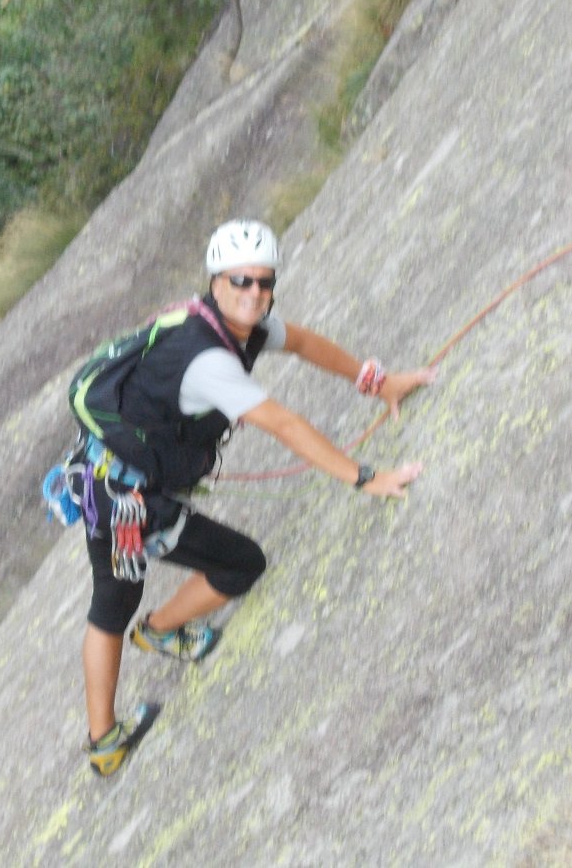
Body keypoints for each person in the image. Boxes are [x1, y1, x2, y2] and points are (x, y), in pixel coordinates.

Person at [77, 219, 435, 775]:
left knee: (121, 596)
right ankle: (122, 707)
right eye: (241, 281)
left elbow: (306, 343)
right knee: (230, 567)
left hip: (114, 479)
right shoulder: (210, 360)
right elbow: (284, 425)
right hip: (127, 500)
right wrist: (366, 478)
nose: (255, 294)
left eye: (264, 283)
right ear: (216, 280)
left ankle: (152, 648)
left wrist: (376, 381)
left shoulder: (231, 324)